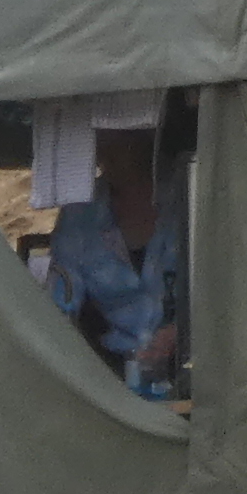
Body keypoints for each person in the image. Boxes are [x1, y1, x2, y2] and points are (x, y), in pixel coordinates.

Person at [43, 125, 187, 397]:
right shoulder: (79, 215)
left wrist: (181, 332)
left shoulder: (188, 193)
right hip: (115, 378)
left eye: (124, 137)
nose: (109, 148)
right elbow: (60, 306)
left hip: (196, 369)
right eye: (102, 137)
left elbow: (227, 286)